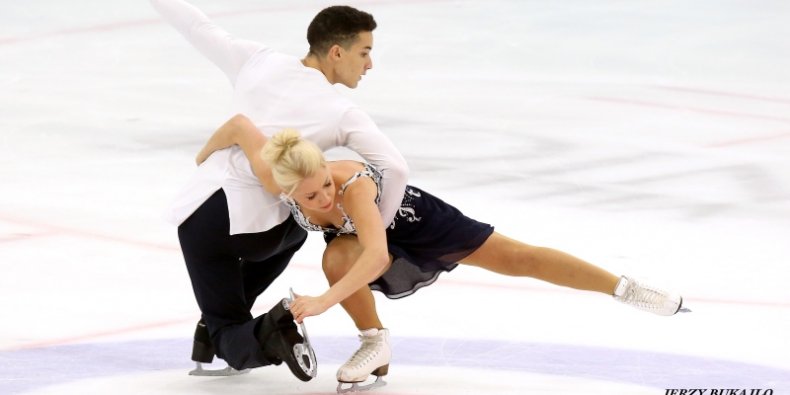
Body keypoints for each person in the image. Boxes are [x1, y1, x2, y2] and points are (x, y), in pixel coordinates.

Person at [197, 115, 689, 392]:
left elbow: (376, 256)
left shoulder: (352, 187)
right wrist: (200, 162)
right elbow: (240, 126)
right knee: (334, 259)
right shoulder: (279, 175)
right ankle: (376, 342)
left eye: (325, 183)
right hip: (356, 245)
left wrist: (324, 303)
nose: (323, 198)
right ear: (284, 191)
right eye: (310, 197)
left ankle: (624, 288)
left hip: (418, 223)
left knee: (521, 258)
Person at [149, 0, 409, 379]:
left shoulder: (258, 60)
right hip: (263, 229)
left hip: (203, 216)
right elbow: (396, 169)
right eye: (364, 52)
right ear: (337, 52)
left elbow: (197, 27)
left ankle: (235, 328)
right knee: (299, 224)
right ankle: (254, 331)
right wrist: (367, 233)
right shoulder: (341, 112)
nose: (369, 63)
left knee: (228, 319)